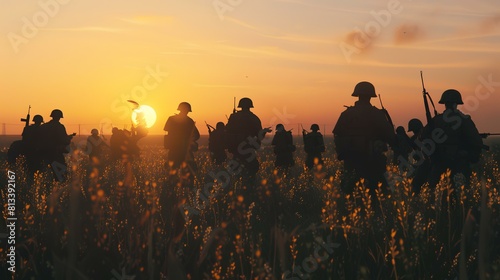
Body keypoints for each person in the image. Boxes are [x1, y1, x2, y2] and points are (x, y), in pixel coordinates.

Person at [333, 81, 395, 194]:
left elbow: (337, 134)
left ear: (357, 95)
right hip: (372, 159)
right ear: (371, 96)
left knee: (350, 191)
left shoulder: (347, 114)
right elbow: (390, 136)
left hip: (351, 158)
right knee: (376, 191)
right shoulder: (377, 114)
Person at [422, 89, 483, 189]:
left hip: (439, 162)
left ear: (444, 103)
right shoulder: (464, 120)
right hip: (458, 162)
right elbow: (476, 141)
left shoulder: (436, 120)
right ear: (457, 104)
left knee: (436, 192)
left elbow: (424, 137)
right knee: (461, 192)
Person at [226, 97, 271, 178]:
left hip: (237, 148)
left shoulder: (234, 117)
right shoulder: (254, 118)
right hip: (249, 148)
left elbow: (228, 130)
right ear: (250, 106)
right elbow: (259, 135)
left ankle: (238, 186)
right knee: (251, 170)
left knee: (236, 170)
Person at [164, 102, 200, 171]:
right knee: (189, 169)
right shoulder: (189, 121)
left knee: (172, 168)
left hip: (176, 148)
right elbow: (196, 135)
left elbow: (167, 130)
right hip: (184, 149)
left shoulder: (172, 119)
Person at [39, 109, 75, 182]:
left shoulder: (44, 126)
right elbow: (64, 140)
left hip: (42, 152)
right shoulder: (59, 127)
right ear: (59, 117)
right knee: (61, 174)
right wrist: (69, 139)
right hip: (55, 153)